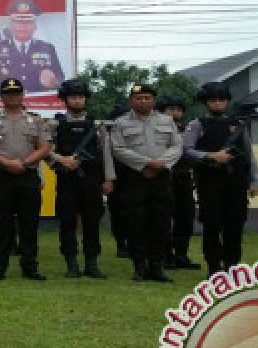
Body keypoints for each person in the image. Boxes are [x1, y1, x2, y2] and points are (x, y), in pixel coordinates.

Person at [182, 81, 258, 276]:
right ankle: (213, 266)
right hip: (210, 182)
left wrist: (254, 181)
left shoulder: (237, 125)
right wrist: (211, 156)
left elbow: (248, 154)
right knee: (212, 225)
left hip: (236, 181)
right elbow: (185, 150)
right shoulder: (196, 125)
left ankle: (232, 265)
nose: (218, 104)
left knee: (235, 225)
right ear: (206, 102)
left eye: (222, 100)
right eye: (213, 100)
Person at [0, 78, 51, 281]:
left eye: (16, 93)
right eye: (8, 93)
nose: (13, 97)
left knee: (29, 223)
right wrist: (6, 163)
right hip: (1, 177)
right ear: (1, 97)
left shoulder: (35, 119)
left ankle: (30, 267)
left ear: (23, 95)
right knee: (1, 223)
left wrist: (25, 163)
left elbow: (45, 147)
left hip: (27, 176)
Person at [108, 84, 182, 283]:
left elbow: (177, 145)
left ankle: (157, 266)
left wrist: (162, 162)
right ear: (131, 100)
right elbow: (118, 149)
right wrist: (146, 163)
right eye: (138, 98)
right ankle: (139, 266)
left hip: (161, 178)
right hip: (134, 178)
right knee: (135, 223)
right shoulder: (121, 123)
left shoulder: (167, 121)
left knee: (161, 222)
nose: (143, 101)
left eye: (147, 97)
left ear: (153, 100)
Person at [47, 78, 110, 279]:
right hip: (67, 179)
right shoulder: (55, 124)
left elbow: (106, 152)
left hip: (91, 179)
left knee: (92, 221)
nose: (77, 101)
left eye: (81, 97)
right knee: (67, 222)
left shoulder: (97, 124)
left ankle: (91, 263)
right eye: (73, 97)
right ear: (65, 100)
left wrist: (109, 179)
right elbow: (44, 150)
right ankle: (71, 263)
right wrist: (62, 160)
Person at [0, 0, 65, 93]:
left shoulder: (47, 48)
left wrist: (54, 82)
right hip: (7, 104)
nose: (23, 26)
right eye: (18, 22)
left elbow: (60, 79)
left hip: (38, 104)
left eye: (28, 22)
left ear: (35, 25)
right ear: (11, 25)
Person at [156, 95, 200, 271]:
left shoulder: (187, 130)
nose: (175, 113)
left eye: (179, 110)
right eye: (171, 109)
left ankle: (181, 254)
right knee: (164, 217)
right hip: (164, 176)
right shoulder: (157, 129)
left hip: (183, 177)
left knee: (186, 217)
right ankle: (166, 256)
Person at [105, 103, 131, 259]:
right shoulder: (107, 136)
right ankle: (121, 245)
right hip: (115, 178)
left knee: (133, 213)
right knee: (118, 214)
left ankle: (133, 244)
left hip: (133, 177)